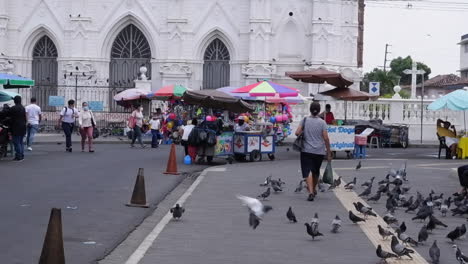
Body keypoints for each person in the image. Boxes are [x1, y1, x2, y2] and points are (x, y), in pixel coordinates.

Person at [295, 102, 332, 201]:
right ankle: (314, 189)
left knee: (307, 172)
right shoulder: (322, 122)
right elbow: (326, 138)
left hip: (306, 150)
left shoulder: (305, 120)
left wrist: (304, 131)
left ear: (310, 110)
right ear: (319, 110)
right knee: (315, 172)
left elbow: (297, 132)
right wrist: (329, 152)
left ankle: (311, 192)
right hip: (319, 152)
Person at [7, 96, 26, 161]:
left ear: (14, 101)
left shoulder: (13, 108)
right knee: (20, 142)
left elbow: (9, 117)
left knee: (16, 142)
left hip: (16, 127)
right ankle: (22, 155)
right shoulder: (23, 108)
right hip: (23, 127)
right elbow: (25, 118)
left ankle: (19, 156)